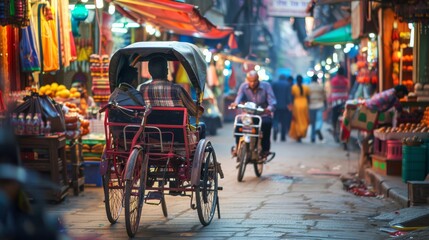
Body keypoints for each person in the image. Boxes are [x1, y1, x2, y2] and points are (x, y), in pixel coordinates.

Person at [230, 70, 277, 157]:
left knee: (267, 124)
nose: (252, 83)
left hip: (263, 114)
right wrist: (235, 104)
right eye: (250, 81)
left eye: (254, 81)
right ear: (247, 80)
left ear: (258, 79)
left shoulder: (266, 86)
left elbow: (272, 101)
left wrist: (269, 108)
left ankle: (265, 150)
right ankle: (237, 147)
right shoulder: (243, 86)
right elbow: (238, 97)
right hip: (248, 115)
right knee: (238, 125)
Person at [139, 56, 203, 118]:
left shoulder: (143, 89)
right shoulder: (177, 89)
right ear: (167, 71)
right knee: (202, 125)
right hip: (176, 128)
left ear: (149, 72)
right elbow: (196, 112)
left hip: (151, 127)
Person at [328, 66, 350, 142]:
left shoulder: (333, 80)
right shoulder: (346, 81)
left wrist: (329, 101)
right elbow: (347, 89)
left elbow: (331, 91)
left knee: (334, 117)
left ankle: (334, 130)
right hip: (344, 101)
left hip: (335, 102)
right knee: (346, 117)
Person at [271, 74, 292, 142]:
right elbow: (288, 96)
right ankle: (282, 137)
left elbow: (272, 95)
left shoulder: (274, 83)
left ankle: (275, 127)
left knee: (276, 119)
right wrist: (289, 104)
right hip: (284, 106)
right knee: (284, 122)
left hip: (276, 105)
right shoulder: (287, 84)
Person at [289, 75, 309, 142]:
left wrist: (291, 105)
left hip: (296, 104)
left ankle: (298, 134)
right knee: (304, 119)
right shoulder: (306, 87)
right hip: (304, 104)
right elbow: (308, 97)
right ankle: (302, 131)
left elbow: (292, 97)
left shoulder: (293, 87)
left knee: (297, 120)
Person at [308, 75, 326, 143]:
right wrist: (325, 104)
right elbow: (324, 96)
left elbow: (307, 96)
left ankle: (313, 137)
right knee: (319, 120)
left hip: (311, 106)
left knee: (312, 122)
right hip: (319, 105)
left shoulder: (308, 87)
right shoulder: (320, 86)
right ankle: (318, 128)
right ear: (317, 79)